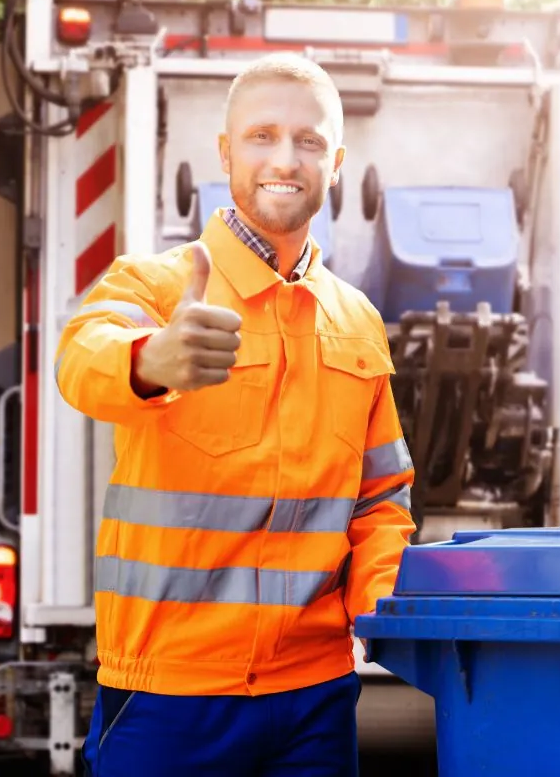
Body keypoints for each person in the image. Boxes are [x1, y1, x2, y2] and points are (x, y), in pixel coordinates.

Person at [57, 52, 416, 776]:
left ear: (336, 163)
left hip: (314, 698)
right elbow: (79, 356)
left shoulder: (358, 322)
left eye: (309, 142)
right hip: (169, 693)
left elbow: (381, 502)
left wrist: (387, 616)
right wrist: (148, 360)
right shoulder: (157, 286)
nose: (285, 157)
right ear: (225, 151)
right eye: (261, 136)